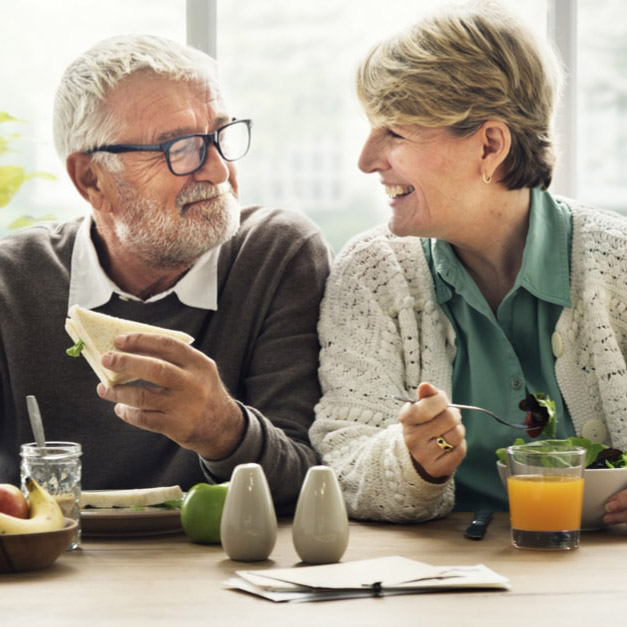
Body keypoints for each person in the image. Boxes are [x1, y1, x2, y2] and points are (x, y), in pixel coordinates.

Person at [311, 2, 627, 524]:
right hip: (438, 582)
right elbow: (342, 456)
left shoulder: (617, 262)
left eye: (395, 132)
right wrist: (413, 464)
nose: (367, 160)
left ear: (490, 144)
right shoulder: (373, 272)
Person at [0, 34, 332, 513]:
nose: (218, 171)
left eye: (220, 136)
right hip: (50, 570)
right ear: (92, 179)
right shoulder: (12, 282)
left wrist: (223, 429)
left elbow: (313, 483)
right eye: (181, 148)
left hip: (222, 571)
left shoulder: (278, 255)